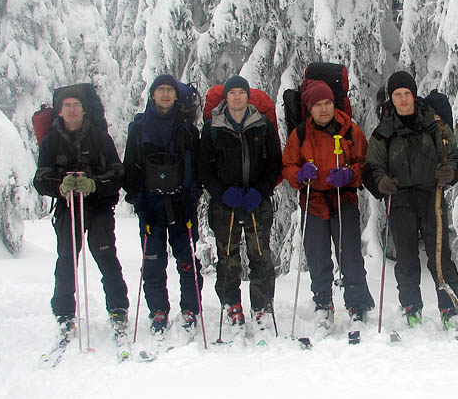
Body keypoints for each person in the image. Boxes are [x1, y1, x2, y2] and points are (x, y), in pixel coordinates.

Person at [363, 71, 458, 329]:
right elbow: (371, 167)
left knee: (440, 257)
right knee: (406, 259)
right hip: (401, 200)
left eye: (407, 93)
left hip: (432, 198)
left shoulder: (434, 123)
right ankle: (411, 308)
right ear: (392, 98)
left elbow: (453, 155)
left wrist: (450, 171)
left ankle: (449, 309)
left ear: (414, 94)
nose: (404, 99)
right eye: (398, 94)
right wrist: (380, 182)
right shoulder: (384, 131)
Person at [34, 86, 130, 337]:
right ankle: (64, 313)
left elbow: (118, 173)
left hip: (98, 208)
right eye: (67, 106)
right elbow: (40, 179)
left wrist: (94, 184)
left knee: (106, 257)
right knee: (66, 260)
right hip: (68, 209)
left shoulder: (99, 138)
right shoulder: (51, 141)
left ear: (85, 109)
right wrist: (59, 186)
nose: (72, 110)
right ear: (60, 110)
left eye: (76, 105)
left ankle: (118, 308)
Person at [282, 80, 374, 331]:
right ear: (310, 108)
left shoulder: (350, 131)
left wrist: (350, 175)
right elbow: (288, 165)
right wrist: (300, 175)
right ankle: (323, 304)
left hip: (343, 200)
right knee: (318, 258)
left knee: (351, 256)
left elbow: (366, 163)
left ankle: (357, 306)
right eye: (318, 105)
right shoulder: (300, 134)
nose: (324, 109)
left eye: (328, 104)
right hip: (313, 202)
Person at [197, 75, 282, 338]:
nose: (237, 98)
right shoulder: (212, 128)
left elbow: (275, 162)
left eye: (241, 93)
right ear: (226, 98)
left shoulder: (262, 124)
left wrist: (261, 190)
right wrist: (221, 193)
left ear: (248, 97)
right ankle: (231, 304)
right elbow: (204, 167)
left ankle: (261, 306)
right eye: (232, 93)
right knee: (228, 257)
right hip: (225, 203)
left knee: (261, 255)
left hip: (257, 199)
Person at [123, 74, 203, 335]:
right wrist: (138, 200)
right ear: (153, 94)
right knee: (153, 262)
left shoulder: (188, 129)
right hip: (151, 206)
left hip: (182, 205)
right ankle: (158, 309)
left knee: (187, 261)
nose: (166, 94)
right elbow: (130, 168)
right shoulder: (139, 128)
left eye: (170, 89)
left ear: (176, 95)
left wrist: (192, 197)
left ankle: (191, 308)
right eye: (161, 90)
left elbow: (198, 167)